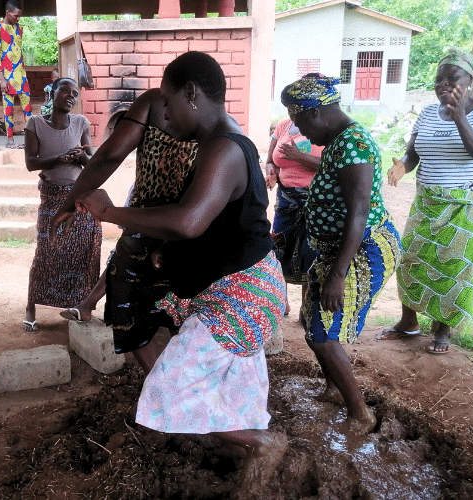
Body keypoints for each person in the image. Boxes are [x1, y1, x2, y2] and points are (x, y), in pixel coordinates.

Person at [73, 51, 289, 488]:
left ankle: (263, 443)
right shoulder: (216, 144)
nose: (165, 120)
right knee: (229, 384)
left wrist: (111, 212)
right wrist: (167, 254)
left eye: (168, 106)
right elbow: (207, 223)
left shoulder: (226, 148)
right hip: (237, 289)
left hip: (239, 296)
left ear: (191, 94)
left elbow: (189, 220)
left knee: (167, 391)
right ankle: (243, 454)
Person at [281, 74, 401, 432]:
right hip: (338, 250)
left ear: (316, 113)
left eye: (300, 122)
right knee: (312, 323)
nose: (301, 133)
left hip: (362, 251)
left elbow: (359, 214)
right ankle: (334, 389)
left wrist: (338, 275)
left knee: (322, 333)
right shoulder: (339, 142)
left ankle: (361, 414)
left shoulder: (354, 145)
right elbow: (337, 181)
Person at [51, 87, 198, 372]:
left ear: (187, 89)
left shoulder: (153, 102)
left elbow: (108, 157)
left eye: (168, 96)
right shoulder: (220, 124)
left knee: (126, 305)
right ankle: (168, 393)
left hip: (154, 224)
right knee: (181, 313)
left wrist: (69, 204)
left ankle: (165, 396)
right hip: (187, 228)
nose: (165, 111)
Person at [379, 48, 473, 354]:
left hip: (466, 206)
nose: (444, 84)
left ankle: (442, 330)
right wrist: (402, 166)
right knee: (410, 261)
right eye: (439, 79)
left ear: (469, 81)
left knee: (454, 268)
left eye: (453, 78)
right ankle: (409, 322)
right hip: (428, 201)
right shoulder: (426, 114)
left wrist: (460, 116)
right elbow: (413, 153)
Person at [23, 78, 100, 332]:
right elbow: (31, 163)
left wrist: (81, 157)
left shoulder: (80, 123)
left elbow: (93, 164)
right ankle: (30, 308)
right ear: (52, 93)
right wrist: (59, 158)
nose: (70, 96)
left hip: (79, 197)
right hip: (52, 197)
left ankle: (79, 306)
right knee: (47, 250)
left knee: (82, 250)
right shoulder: (35, 123)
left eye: (74, 93)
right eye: (65, 90)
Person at [265, 113, 323, 315]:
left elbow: (331, 165)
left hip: (316, 199)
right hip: (286, 198)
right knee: (280, 247)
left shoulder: (327, 128)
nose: (293, 110)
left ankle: (306, 307)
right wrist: (271, 172)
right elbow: (271, 160)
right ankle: (282, 302)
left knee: (311, 251)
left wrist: (298, 156)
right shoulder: (283, 126)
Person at [0, 0, 32, 149]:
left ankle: (31, 138)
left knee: (28, 107)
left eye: (19, 16)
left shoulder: (19, 28)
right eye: (15, 15)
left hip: (21, 74)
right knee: (8, 109)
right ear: (8, 12)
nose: (18, 18)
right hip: (7, 76)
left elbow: (19, 53)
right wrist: (1, 79)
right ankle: (10, 139)